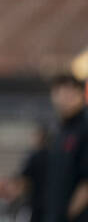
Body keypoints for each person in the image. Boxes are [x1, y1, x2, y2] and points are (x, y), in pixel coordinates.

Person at [43, 73, 88, 222]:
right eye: (60, 92)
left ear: (80, 94)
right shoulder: (59, 130)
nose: (64, 98)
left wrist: (67, 215)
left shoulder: (84, 127)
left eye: (70, 92)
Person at [10, 124, 50, 222]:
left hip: (34, 202)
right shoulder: (54, 155)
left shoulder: (33, 157)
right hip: (51, 203)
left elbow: (23, 179)